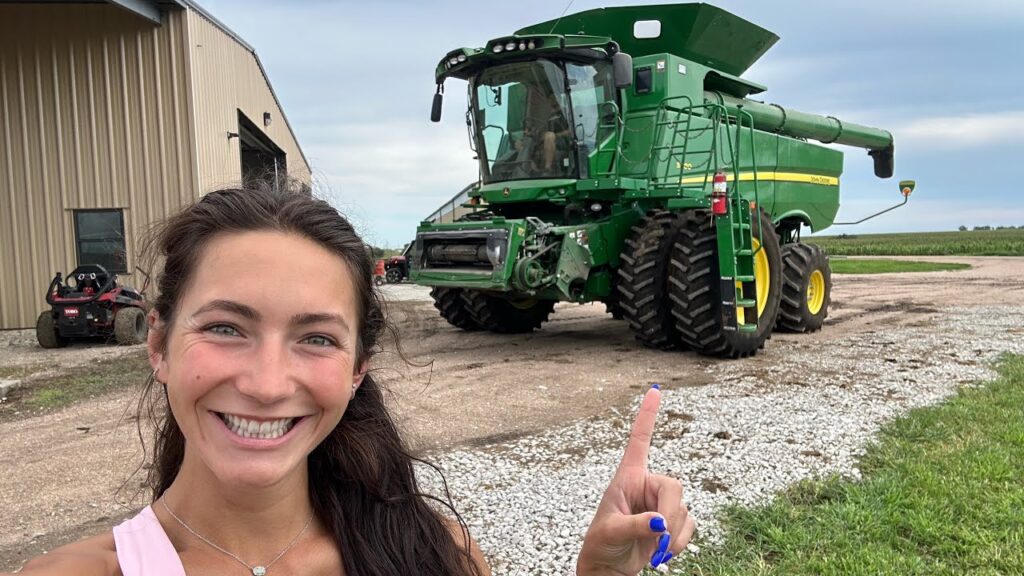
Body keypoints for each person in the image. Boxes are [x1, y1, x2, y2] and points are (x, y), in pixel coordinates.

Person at [7, 184, 693, 576]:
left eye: (315, 338)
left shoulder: (433, 555)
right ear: (158, 343)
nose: (270, 383)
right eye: (225, 328)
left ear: (358, 369)